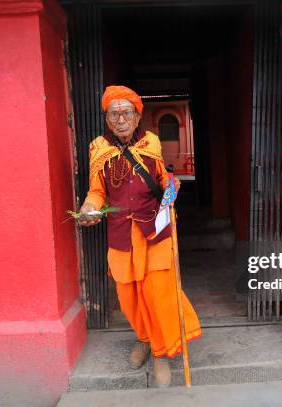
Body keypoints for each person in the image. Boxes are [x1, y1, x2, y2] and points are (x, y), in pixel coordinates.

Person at [78, 85, 201, 388]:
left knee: (157, 294)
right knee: (129, 298)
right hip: (121, 234)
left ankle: (160, 353)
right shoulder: (98, 149)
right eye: (114, 114)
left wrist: (173, 185)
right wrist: (89, 208)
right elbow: (97, 191)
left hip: (154, 232)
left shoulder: (152, 143)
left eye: (126, 113)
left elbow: (163, 179)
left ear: (136, 117)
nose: (120, 119)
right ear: (107, 120)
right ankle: (144, 340)